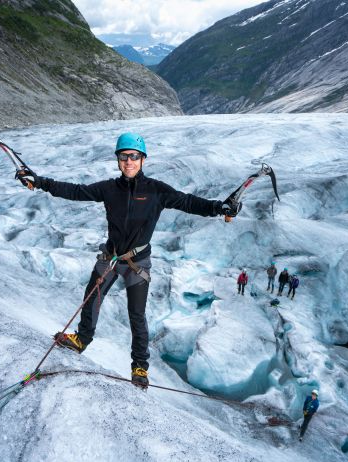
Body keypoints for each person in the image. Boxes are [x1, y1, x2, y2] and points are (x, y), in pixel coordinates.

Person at [15, 132, 241, 388]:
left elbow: (187, 201)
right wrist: (41, 182)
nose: (128, 161)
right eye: (124, 157)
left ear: (143, 159)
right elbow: (76, 191)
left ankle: (140, 368)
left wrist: (217, 208)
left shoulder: (156, 190)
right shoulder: (110, 189)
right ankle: (81, 340)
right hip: (110, 257)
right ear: (118, 160)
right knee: (91, 299)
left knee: (137, 314)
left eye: (134, 156)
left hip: (138, 263)